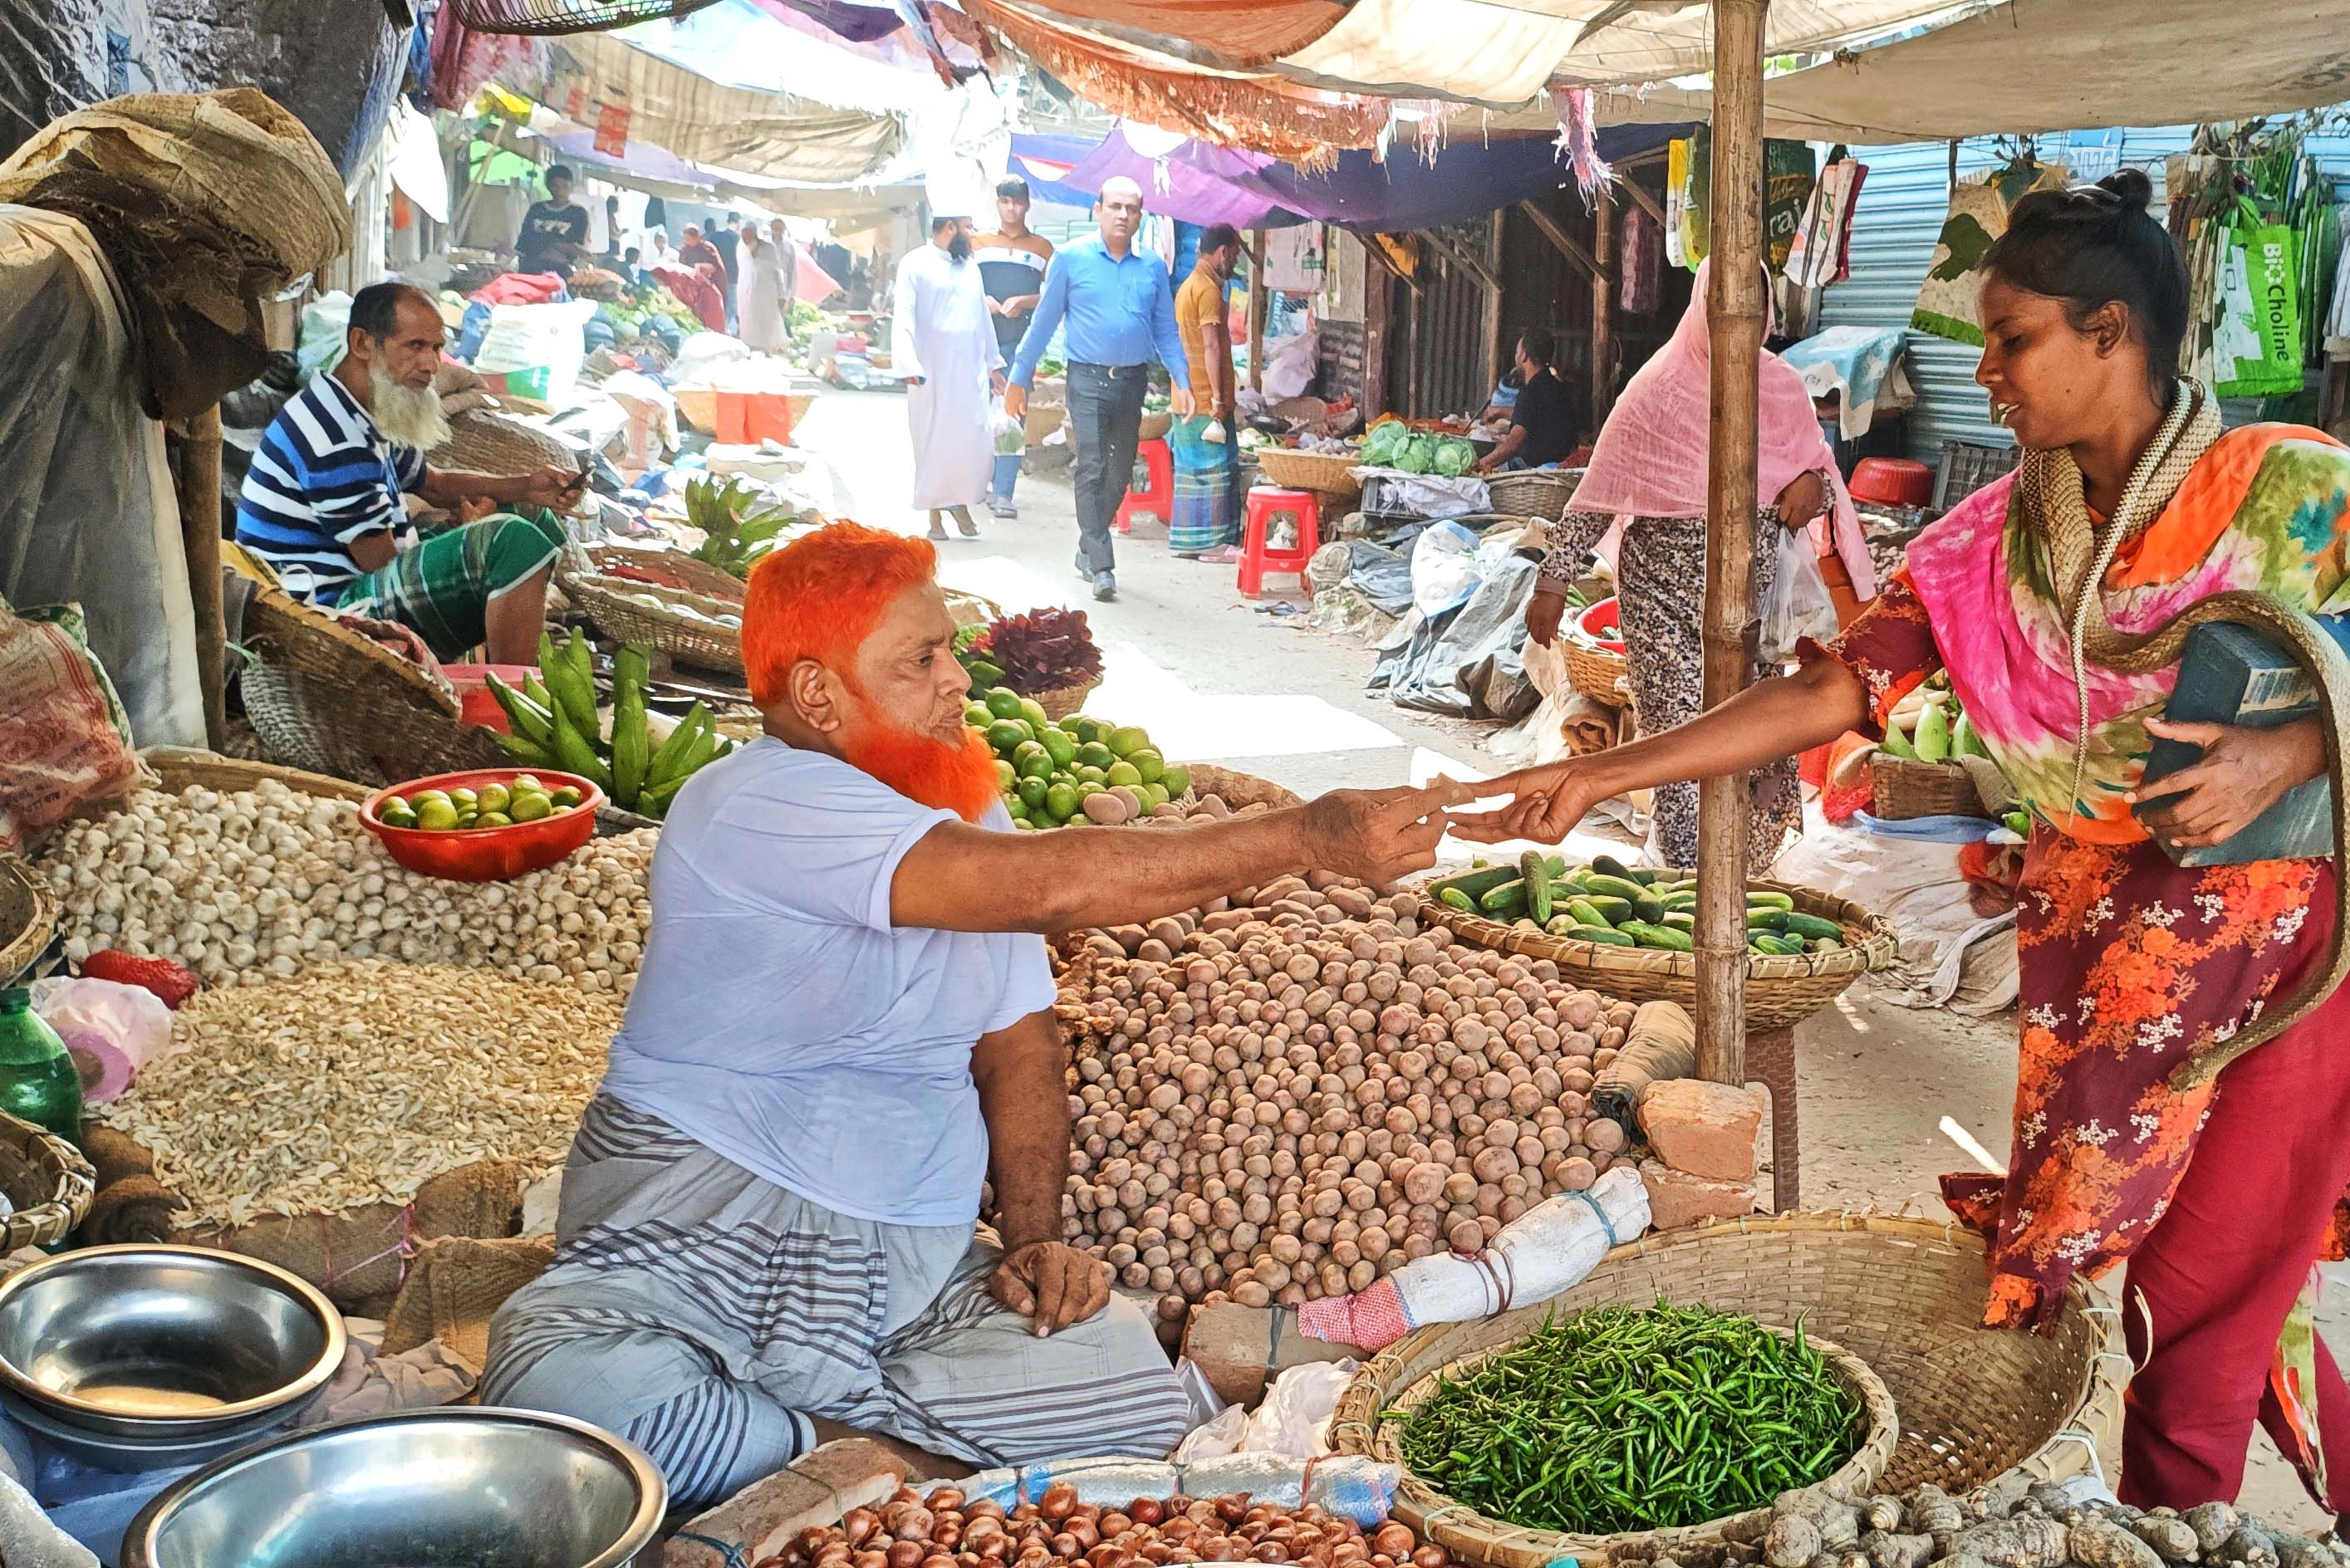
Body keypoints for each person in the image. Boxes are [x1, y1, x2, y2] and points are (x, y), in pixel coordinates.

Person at [1455, 169, 2350, 1568]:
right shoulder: (1992, 543)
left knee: (2195, 1285)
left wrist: (2285, 755)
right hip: (2102, 957)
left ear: (2109, 335)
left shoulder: (2284, 487)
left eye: (2011, 337)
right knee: (2178, 1255)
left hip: (2292, 952)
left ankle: (2164, 1534)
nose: (1984, 372)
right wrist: (1599, 773)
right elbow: (1835, 692)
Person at [483, 523, 1464, 1510]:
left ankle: (826, 1452)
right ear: (819, 694)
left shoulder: (961, 808)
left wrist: (1035, 1239)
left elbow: (1019, 1044)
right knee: (574, 1408)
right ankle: (898, 1466)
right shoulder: (750, 804)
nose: (957, 679)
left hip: (909, 1276)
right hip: (694, 1248)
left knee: (1129, 1390)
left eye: (948, 649)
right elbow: (1049, 888)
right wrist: (1306, 834)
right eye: (922, 659)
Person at [1528, 262, 1872, 871]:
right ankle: (1692, 884)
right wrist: (1552, 583)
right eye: (1723, 303)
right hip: (1663, 600)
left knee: (1763, 739)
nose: (1738, 319)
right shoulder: (1658, 387)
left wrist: (1812, 485)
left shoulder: (1783, 386)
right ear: (1700, 305)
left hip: (1758, 607)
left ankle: (1752, 876)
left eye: (1752, 303)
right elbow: (1600, 492)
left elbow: (1819, 470)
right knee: (1681, 743)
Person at [237, 281, 580, 661]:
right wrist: (466, 534)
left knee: (529, 514)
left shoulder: (361, 408)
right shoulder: (333, 436)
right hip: (326, 613)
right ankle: (512, 701)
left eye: (436, 349)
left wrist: (529, 488)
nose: (431, 365)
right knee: (512, 541)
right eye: (415, 346)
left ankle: (513, 648)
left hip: (362, 579)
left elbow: (433, 484)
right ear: (362, 343)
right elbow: (381, 562)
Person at [1004, 176, 1191, 604]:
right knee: (1090, 463)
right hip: (1085, 379)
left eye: (1132, 208)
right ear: (1097, 210)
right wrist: (1019, 376)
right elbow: (1044, 322)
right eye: (1115, 206)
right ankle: (1103, 564)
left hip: (1131, 381)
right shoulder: (1070, 259)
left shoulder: (1153, 268)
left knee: (1120, 470)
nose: (1123, 215)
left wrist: (1182, 379)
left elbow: (1165, 328)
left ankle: (1087, 544)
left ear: (1141, 216)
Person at [893, 213, 1003, 541]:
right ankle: (936, 517)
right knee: (932, 441)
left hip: (968, 371)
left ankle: (961, 503)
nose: (973, 234)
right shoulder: (914, 264)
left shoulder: (971, 267)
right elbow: (904, 316)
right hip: (931, 371)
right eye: (969, 227)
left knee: (971, 440)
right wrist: (907, 363)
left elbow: (983, 319)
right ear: (950, 228)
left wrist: (994, 365)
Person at [975, 179, 1056, 519]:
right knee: (974, 415)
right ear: (998, 204)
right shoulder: (978, 242)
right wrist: (986, 302)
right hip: (976, 343)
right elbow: (960, 288)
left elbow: (1055, 295)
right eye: (1006, 202)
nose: (1012, 208)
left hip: (1019, 344)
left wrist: (1025, 301)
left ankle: (1004, 491)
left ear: (1027, 205)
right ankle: (974, 483)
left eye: (1018, 203)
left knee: (1012, 415)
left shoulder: (1042, 248)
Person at [1169, 223, 1245, 560]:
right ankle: (1213, 544)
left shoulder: (1189, 285)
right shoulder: (1208, 290)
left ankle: (1189, 541)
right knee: (1216, 469)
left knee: (1191, 471)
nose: (1235, 262)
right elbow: (1212, 345)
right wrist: (1218, 398)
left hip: (1186, 395)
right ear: (1223, 252)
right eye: (1236, 254)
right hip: (1204, 400)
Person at [1471, 330, 1577, 473]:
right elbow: (1535, 415)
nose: (1516, 356)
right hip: (1560, 463)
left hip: (1533, 469)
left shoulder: (1530, 392)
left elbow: (1512, 445)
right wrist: (1501, 412)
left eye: (1517, 352)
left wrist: (1477, 466)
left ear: (1524, 356)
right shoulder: (1557, 387)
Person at [515, 164, 592, 278]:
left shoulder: (579, 213)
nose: (560, 191)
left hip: (561, 273)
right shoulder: (537, 209)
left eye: (565, 187)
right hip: (530, 271)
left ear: (572, 187)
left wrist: (554, 247)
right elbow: (523, 242)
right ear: (548, 186)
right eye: (555, 186)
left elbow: (577, 247)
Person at [736, 223, 789, 355]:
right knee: (748, 322)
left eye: (748, 234)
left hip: (767, 294)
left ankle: (768, 350)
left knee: (768, 322)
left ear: (754, 234)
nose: (746, 238)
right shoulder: (741, 248)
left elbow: (778, 273)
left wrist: (782, 296)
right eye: (743, 235)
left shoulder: (769, 249)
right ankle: (749, 348)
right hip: (746, 294)